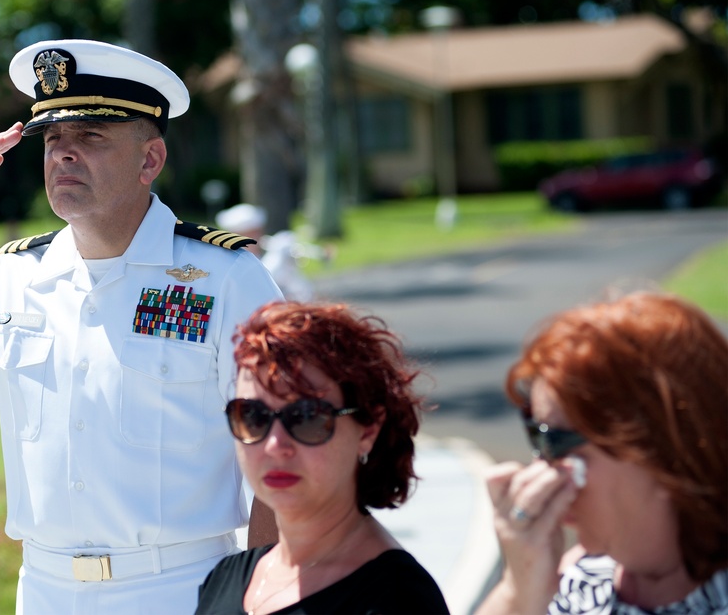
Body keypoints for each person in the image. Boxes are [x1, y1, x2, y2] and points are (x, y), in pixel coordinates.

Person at [0, 39, 284, 614]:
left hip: (184, 589)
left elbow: (282, 445)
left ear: (150, 161)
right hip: (43, 591)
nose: (64, 154)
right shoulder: (7, 280)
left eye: (91, 137)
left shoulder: (226, 278)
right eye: (54, 139)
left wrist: (264, 596)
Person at [476, 291, 728, 615]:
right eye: (534, 435)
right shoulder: (579, 575)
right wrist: (518, 592)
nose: (541, 467)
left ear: (663, 451)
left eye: (555, 442)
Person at [195, 300, 450, 614]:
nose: (275, 444)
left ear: (368, 429)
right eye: (253, 416)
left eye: (307, 418)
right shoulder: (225, 579)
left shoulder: (398, 600)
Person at [214, 203, 316, 302]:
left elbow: (301, 292)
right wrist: (276, 257)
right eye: (250, 233)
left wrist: (288, 264)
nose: (257, 236)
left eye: (257, 231)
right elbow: (258, 282)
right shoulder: (229, 261)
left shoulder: (268, 253)